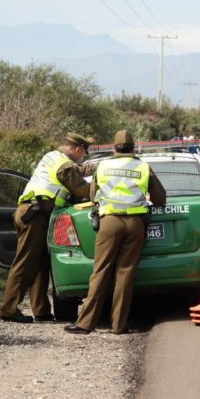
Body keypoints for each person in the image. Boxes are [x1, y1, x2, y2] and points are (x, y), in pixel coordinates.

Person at [64, 130, 166, 335]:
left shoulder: (104, 166)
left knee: (101, 271)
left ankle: (85, 323)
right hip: (135, 223)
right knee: (125, 274)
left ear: (114, 147)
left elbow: (93, 195)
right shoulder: (143, 167)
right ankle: (119, 325)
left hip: (109, 222)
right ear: (133, 147)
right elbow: (160, 199)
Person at [0, 132, 96, 323]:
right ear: (77, 149)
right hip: (34, 215)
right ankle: (9, 309)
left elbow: (79, 169)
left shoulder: (54, 156)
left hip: (30, 212)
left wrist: (100, 167)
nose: (83, 156)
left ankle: (41, 311)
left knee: (40, 263)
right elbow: (80, 188)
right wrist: (99, 188)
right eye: (84, 152)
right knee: (25, 264)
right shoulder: (63, 165)